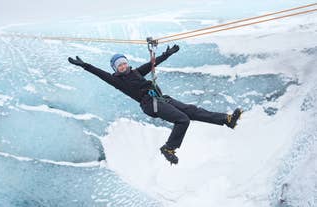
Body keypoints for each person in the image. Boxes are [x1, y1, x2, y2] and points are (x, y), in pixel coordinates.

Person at [68, 45, 242, 165]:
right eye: (119, 65)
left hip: (161, 98)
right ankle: (169, 148)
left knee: (192, 111)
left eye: (124, 63)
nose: (122, 66)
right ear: (115, 69)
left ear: (127, 63)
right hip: (150, 104)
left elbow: (152, 64)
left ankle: (227, 120)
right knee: (182, 120)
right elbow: (101, 74)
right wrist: (85, 66)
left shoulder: (136, 72)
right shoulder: (117, 81)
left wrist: (168, 54)